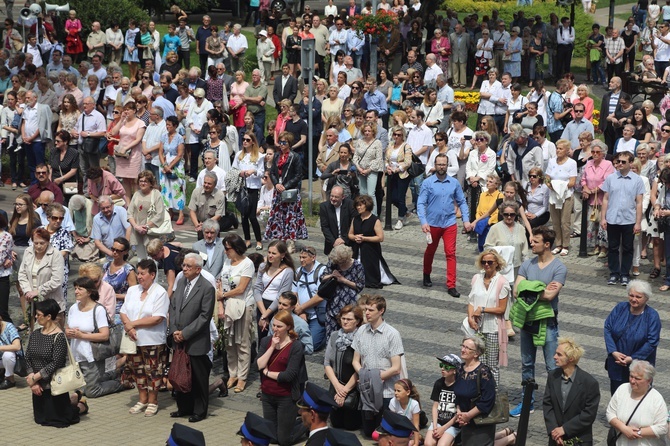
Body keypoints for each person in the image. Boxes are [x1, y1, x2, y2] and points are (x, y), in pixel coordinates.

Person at [510, 227, 568, 417]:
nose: (531, 244)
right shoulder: (527, 264)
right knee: (527, 363)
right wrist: (540, 289)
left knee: (553, 365)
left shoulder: (559, 268)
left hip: (548, 321)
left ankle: (555, 403)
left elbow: (551, 295)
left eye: (535, 241)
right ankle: (528, 402)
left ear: (547, 245)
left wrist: (529, 288)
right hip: (527, 321)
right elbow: (516, 291)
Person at [168, 253, 215, 423]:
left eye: (188, 266)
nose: (184, 269)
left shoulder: (206, 288)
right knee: (181, 374)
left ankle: (199, 411)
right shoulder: (181, 282)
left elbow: (204, 317)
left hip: (195, 340)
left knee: (198, 378)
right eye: (184, 265)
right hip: (178, 338)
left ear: (198, 269)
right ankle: (184, 408)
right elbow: (173, 307)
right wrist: (174, 330)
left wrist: (185, 333)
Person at [418, 153, 472, 297]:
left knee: (451, 253)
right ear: (435, 165)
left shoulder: (454, 183)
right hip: (433, 223)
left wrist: (466, 219)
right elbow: (421, 203)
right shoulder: (427, 183)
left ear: (447, 166)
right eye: (439, 164)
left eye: (444, 164)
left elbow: (462, 202)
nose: (441, 167)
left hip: (449, 223)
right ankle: (426, 273)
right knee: (430, 250)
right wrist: (423, 222)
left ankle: (451, 285)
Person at [120, 259, 169, 417]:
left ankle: (153, 401)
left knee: (153, 371)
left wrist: (132, 324)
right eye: (138, 273)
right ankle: (142, 399)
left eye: (143, 273)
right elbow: (123, 311)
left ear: (152, 275)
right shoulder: (133, 290)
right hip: (134, 340)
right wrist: (129, 326)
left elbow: (157, 318)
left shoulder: (160, 292)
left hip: (152, 340)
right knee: (137, 370)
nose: (139, 276)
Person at [352, 295, 404, 437]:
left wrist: (375, 378)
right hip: (368, 392)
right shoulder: (361, 331)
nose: (367, 313)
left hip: (386, 392)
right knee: (368, 432)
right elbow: (355, 361)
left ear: (381, 311)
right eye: (366, 309)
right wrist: (364, 376)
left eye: (371, 310)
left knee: (384, 434)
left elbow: (396, 367)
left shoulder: (392, 334)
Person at [26, 299, 81, 427]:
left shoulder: (59, 337)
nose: (36, 317)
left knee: (61, 419)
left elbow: (55, 363)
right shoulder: (35, 334)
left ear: (49, 317)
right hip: (38, 385)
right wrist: (32, 380)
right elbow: (28, 357)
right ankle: (73, 399)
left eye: (38, 314)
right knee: (41, 419)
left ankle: (80, 404)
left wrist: (35, 377)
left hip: (54, 385)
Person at [65, 277, 123, 398]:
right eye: (75, 288)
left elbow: (104, 335)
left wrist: (82, 335)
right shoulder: (73, 308)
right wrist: (68, 332)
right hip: (76, 354)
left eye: (80, 289)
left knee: (91, 391)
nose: (76, 291)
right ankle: (111, 374)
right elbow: (68, 327)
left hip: (92, 354)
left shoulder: (98, 309)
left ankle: (120, 383)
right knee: (80, 388)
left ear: (89, 292)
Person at [257, 309, 307, 446]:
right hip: (267, 395)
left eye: (279, 326)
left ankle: (307, 424)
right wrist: (272, 347)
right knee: (272, 437)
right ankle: (290, 424)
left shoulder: (295, 346)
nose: (275, 329)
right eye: (274, 325)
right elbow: (259, 364)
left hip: (286, 397)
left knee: (284, 441)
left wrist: (267, 373)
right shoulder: (266, 341)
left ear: (288, 327)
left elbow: (288, 376)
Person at [604, 279, 660, 395]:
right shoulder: (620, 308)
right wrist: (613, 351)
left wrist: (632, 358)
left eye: (638, 297)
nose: (634, 299)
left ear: (646, 298)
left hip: (640, 367)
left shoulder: (652, 316)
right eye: (631, 295)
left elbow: (652, 342)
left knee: (639, 397)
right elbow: (608, 328)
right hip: (617, 363)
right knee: (617, 395)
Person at [542, 337, 600, 446]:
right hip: (556, 439)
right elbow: (547, 404)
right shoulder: (553, 376)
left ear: (571, 359)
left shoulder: (589, 383)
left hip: (579, 440)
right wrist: (555, 431)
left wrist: (564, 429)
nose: (555, 357)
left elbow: (589, 414)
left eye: (559, 355)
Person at [216, 234, 255, 395]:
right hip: (227, 306)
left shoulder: (248, 264)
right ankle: (232, 374)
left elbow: (241, 288)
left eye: (228, 249)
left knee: (242, 342)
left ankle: (242, 377)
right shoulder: (227, 262)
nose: (225, 252)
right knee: (229, 342)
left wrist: (223, 296)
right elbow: (220, 283)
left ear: (236, 248)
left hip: (243, 306)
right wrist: (220, 304)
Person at [466, 249, 511, 386]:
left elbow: (501, 309)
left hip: (493, 328)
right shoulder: (476, 278)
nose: (486, 265)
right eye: (483, 262)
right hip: (477, 328)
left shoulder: (502, 282)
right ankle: (479, 391)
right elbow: (471, 301)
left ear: (497, 263)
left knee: (491, 365)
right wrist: (470, 318)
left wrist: (483, 310)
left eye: (490, 262)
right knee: (477, 363)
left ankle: (493, 393)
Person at [601, 151, 645, 286]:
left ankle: (625, 274)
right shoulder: (610, 178)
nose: (619, 164)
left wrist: (638, 222)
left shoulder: (637, 180)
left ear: (630, 163)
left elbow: (639, 202)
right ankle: (614, 273)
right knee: (613, 247)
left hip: (629, 219)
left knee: (627, 248)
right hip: (613, 218)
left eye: (623, 162)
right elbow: (605, 199)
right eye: (618, 161)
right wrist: (603, 218)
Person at [606, 360, 668, 444]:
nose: (632, 381)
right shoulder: (622, 389)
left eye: (637, 379)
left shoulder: (656, 398)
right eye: (631, 376)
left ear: (648, 380)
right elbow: (610, 413)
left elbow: (662, 427)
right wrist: (624, 429)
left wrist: (638, 432)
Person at [264, 132, 308, 249]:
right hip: (278, 190)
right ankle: (279, 238)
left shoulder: (295, 157)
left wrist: (286, 185)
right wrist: (276, 184)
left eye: (284, 142)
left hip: (290, 190)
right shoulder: (277, 156)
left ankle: (291, 241)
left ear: (289, 144)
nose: (282, 145)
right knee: (278, 216)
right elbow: (272, 172)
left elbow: (298, 175)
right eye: (281, 142)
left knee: (291, 216)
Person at [323, 304, 364, 430]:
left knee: (350, 426)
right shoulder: (335, 336)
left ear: (357, 321)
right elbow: (327, 363)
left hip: (352, 389)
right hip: (336, 386)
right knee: (336, 423)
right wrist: (337, 387)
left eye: (349, 319)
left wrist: (345, 391)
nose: (345, 321)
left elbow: (360, 368)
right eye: (343, 318)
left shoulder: (361, 339)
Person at [453, 336, 496, 444]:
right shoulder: (459, 369)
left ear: (476, 354)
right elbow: (457, 395)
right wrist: (460, 414)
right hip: (465, 423)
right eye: (463, 346)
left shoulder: (484, 372)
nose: (463, 350)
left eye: (467, 348)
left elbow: (488, 400)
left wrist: (468, 415)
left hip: (481, 423)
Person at [18, 228, 65, 326]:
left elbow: (57, 280)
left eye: (42, 243)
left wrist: (38, 291)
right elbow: (22, 274)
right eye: (36, 243)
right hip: (32, 302)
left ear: (48, 242)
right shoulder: (28, 251)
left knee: (52, 333)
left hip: (51, 302)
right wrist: (27, 291)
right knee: (35, 333)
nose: (38, 246)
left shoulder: (56, 254)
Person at [349, 195, 398, 289]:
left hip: (370, 250)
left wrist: (364, 239)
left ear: (367, 205)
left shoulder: (375, 220)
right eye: (357, 205)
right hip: (357, 249)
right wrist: (355, 237)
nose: (358, 207)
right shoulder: (355, 219)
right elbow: (350, 234)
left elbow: (380, 238)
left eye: (360, 205)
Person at [233, 132, 265, 251]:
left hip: (253, 187)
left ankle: (258, 240)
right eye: (243, 139)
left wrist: (254, 171)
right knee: (244, 215)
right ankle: (247, 239)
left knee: (252, 216)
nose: (245, 142)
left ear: (252, 142)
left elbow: (262, 173)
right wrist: (240, 173)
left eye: (247, 140)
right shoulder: (239, 155)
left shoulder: (259, 156)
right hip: (242, 187)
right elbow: (233, 170)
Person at [545, 139, 578, 256]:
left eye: (560, 149)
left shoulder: (571, 163)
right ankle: (558, 244)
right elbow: (547, 177)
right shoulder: (552, 161)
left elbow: (572, 182)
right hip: (553, 195)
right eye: (557, 148)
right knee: (555, 221)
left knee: (565, 221)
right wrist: (550, 185)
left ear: (567, 150)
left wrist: (560, 187)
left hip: (566, 195)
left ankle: (565, 245)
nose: (558, 151)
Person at [127, 171, 169, 260]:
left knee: (152, 259)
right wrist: (136, 227)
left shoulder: (156, 194)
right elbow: (129, 213)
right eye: (141, 181)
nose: (142, 183)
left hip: (150, 231)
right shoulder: (136, 194)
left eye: (145, 181)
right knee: (141, 259)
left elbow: (159, 214)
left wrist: (146, 226)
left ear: (150, 183)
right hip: (137, 231)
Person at [425, 354, 462, 446]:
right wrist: (435, 426)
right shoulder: (438, 383)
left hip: (452, 424)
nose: (442, 369)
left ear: (454, 370)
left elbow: (459, 413)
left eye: (446, 367)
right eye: (441, 365)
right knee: (428, 443)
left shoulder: (460, 386)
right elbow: (435, 406)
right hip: (438, 422)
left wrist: (443, 428)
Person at [102, 237, 137, 325]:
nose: (114, 252)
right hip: (104, 307)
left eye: (118, 250)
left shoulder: (128, 270)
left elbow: (134, 294)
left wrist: (113, 295)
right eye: (113, 249)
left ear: (125, 252)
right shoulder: (106, 266)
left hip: (119, 310)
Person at [159, 115, 186, 225]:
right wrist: (165, 165)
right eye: (166, 124)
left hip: (176, 165)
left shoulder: (179, 137)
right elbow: (160, 152)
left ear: (175, 126)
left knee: (177, 189)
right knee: (166, 188)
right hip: (165, 163)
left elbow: (179, 155)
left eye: (169, 125)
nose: (167, 127)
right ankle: (169, 211)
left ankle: (180, 213)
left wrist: (170, 167)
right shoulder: (164, 136)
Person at [21, 90, 53, 185]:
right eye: (26, 98)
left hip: (37, 141)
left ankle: (42, 184)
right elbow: (23, 123)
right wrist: (23, 136)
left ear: (35, 98)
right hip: (27, 141)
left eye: (28, 98)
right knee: (31, 164)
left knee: (40, 164)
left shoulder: (41, 108)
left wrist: (31, 138)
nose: (27, 100)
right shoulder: (26, 109)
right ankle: (33, 184)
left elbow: (41, 126)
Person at [386, 126, 415, 230]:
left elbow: (408, 162)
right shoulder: (390, 145)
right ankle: (406, 212)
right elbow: (386, 159)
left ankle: (400, 219)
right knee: (392, 198)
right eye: (395, 134)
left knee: (401, 197)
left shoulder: (406, 146)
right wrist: (387, 167)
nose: (396, 137)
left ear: (403, 136)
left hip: (402, 174)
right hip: (391, 174)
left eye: (399, 135)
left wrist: (398, 169)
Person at [0, 313, 21, 389]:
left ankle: (10, 379)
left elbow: (17, 346)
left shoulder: (9, 326)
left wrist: (0, 348)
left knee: (8, 354)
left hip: (13, 359)